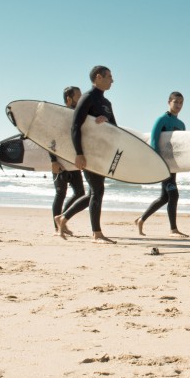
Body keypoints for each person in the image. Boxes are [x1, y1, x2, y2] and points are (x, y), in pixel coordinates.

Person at [56, 66, 117, 244]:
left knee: (93, 192)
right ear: (98, 77)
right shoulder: (87, 98)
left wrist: (105, 122)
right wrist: (79, 153)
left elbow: (115, 129)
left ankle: (63, 218)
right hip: (88, 153)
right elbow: (75, 127)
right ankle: (97, 233)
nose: (112, 80)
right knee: (97, 190)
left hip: (100, 153)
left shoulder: (107, 104)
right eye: (109, 77)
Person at [136, 91, 189, 238]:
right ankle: (173, 230)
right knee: (174, 194)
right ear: (169, 102)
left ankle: (141, 220)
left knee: (165, 197)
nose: (178, 105)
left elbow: (183, 148)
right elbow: (154, 141)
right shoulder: (161, 120)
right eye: (175, 102)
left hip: (172, 165)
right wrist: (157, 162)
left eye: (181, 103)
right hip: (163, 164)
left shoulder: (181, 124)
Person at [51, 86, 86, 233]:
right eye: (79, 96)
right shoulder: (59, 116)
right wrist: (53, 160)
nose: (81, 98)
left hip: (73, 162)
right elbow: (50, 139)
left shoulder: (80, 115)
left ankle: (62, 219)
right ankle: (58, 227)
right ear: (69, 99)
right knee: (61, 193)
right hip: (60, 161)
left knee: (80, 194)